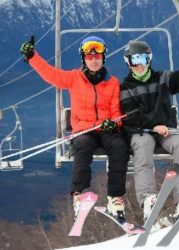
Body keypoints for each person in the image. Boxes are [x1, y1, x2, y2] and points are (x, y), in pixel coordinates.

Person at [20, 36, 130, 220]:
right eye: (89, 57)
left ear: (103, 58)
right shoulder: (74, 78)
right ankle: (79, 194)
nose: (94, 60)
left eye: (97, 57)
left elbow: (116, 111)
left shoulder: (112, 83)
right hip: (84, 130)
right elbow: (50, 74)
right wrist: (32, 57)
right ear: (84, 59)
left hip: (105, 128)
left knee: (119, 146)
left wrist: (115, 123)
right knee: (82, 148)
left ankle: (115, 197)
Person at [120, 40, 179, 222]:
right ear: (128, 63)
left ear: (149, 59)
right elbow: (129, 117)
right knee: (144, 144)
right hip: (140, 132)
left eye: (142, 58)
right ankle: (148, 197)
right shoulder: (125, 89)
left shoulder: (163, 79)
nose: (139, 64)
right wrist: (153, 125)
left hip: (165, 132)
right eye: (134, 60)